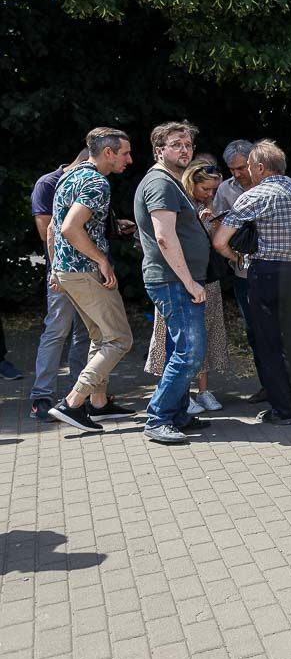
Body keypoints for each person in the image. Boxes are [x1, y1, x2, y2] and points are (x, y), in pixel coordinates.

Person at [213, 140, 291, 425]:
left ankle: (281, 410)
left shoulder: (254, 196)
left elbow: (220, 241)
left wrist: (237, 258)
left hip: (266, 272)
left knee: (267, 342)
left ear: (258, 167)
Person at [47, 128, 138, 432]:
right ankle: (73, 402)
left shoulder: (68, 177)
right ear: (108, 152)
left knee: (100, 337)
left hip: (67, 271)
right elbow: (70, 228)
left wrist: (54, 268)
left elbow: (52, 229)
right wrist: (102, 260)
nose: (130, 159)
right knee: (119, 339)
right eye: (125, 152)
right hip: (85, 271)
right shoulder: (97, 182)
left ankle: (98, 404)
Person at [133, 122, 215, 444]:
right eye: (177, 144)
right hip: (174, 280)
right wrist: (190, 282)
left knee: (179, 350)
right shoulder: (160, 183)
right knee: (191, 352)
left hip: (178, 280)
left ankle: (178, 412)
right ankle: (158, 417)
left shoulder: (170, 182)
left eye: (188, 145)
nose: (185, 150)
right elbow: (165, 238)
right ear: (159, 150)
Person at [144, 161, 230, 414]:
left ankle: (194, 396)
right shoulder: (173, 200)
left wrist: (210, 223)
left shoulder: (200, 207)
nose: (209, 195)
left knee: (199, 340)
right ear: (191, 182)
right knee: (184, 346)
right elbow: (165, 238)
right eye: (205, 189)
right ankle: (171, 403)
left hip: (203, 280)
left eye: (214, 190)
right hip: (182, 282)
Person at [28, 150, 91, 419]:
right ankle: (41, 395)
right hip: (62, 270)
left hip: (89, 271)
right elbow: (46, 231)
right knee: (57, 330)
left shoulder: (88, 181)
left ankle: (77, 396)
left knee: (85, 334)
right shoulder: (48, 183)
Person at [213, 140, 261, 391]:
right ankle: (267, 385)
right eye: (232, 169)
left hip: (271, 265)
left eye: (242, 167)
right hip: (242, 269)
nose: (238, 174)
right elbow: (218, 226)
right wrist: (233, 255)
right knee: (253, 330)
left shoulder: (270, 183)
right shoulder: (225, 190)